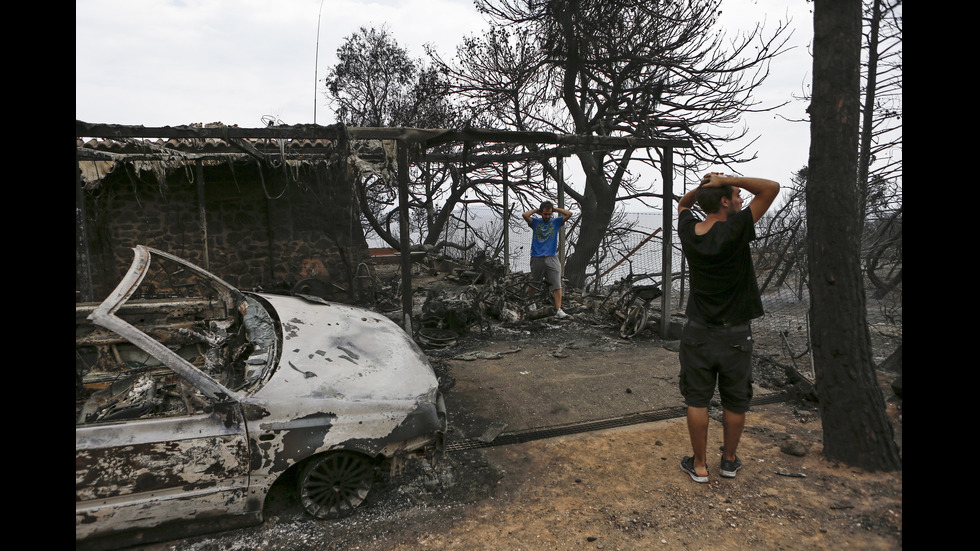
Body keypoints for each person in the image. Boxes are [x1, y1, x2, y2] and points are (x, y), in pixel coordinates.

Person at [675, 172, 780, 483]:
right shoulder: (736, 229)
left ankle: (699, 466)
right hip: (736, 333)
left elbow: (683, 204)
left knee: (697, 399)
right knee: (735, 400)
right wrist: (726, 178)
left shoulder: (688, 230)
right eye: (735, 196)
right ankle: (729, 462)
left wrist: (702, 190)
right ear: (724, 201)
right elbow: (771, 188)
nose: (741, 200)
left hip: (696, 332)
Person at [522, 201, 573, 319]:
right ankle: (531, 302)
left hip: (551, 256)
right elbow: (525, 215)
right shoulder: (535, 222)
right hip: (537, 256)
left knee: (557, 283)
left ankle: (558, 309)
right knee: (534, 282)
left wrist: (555, 209)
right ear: (541, 213)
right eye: (545, 214)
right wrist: (536, 210)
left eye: (549, 214)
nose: (547, 216)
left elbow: (569, 214)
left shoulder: (555, 222)